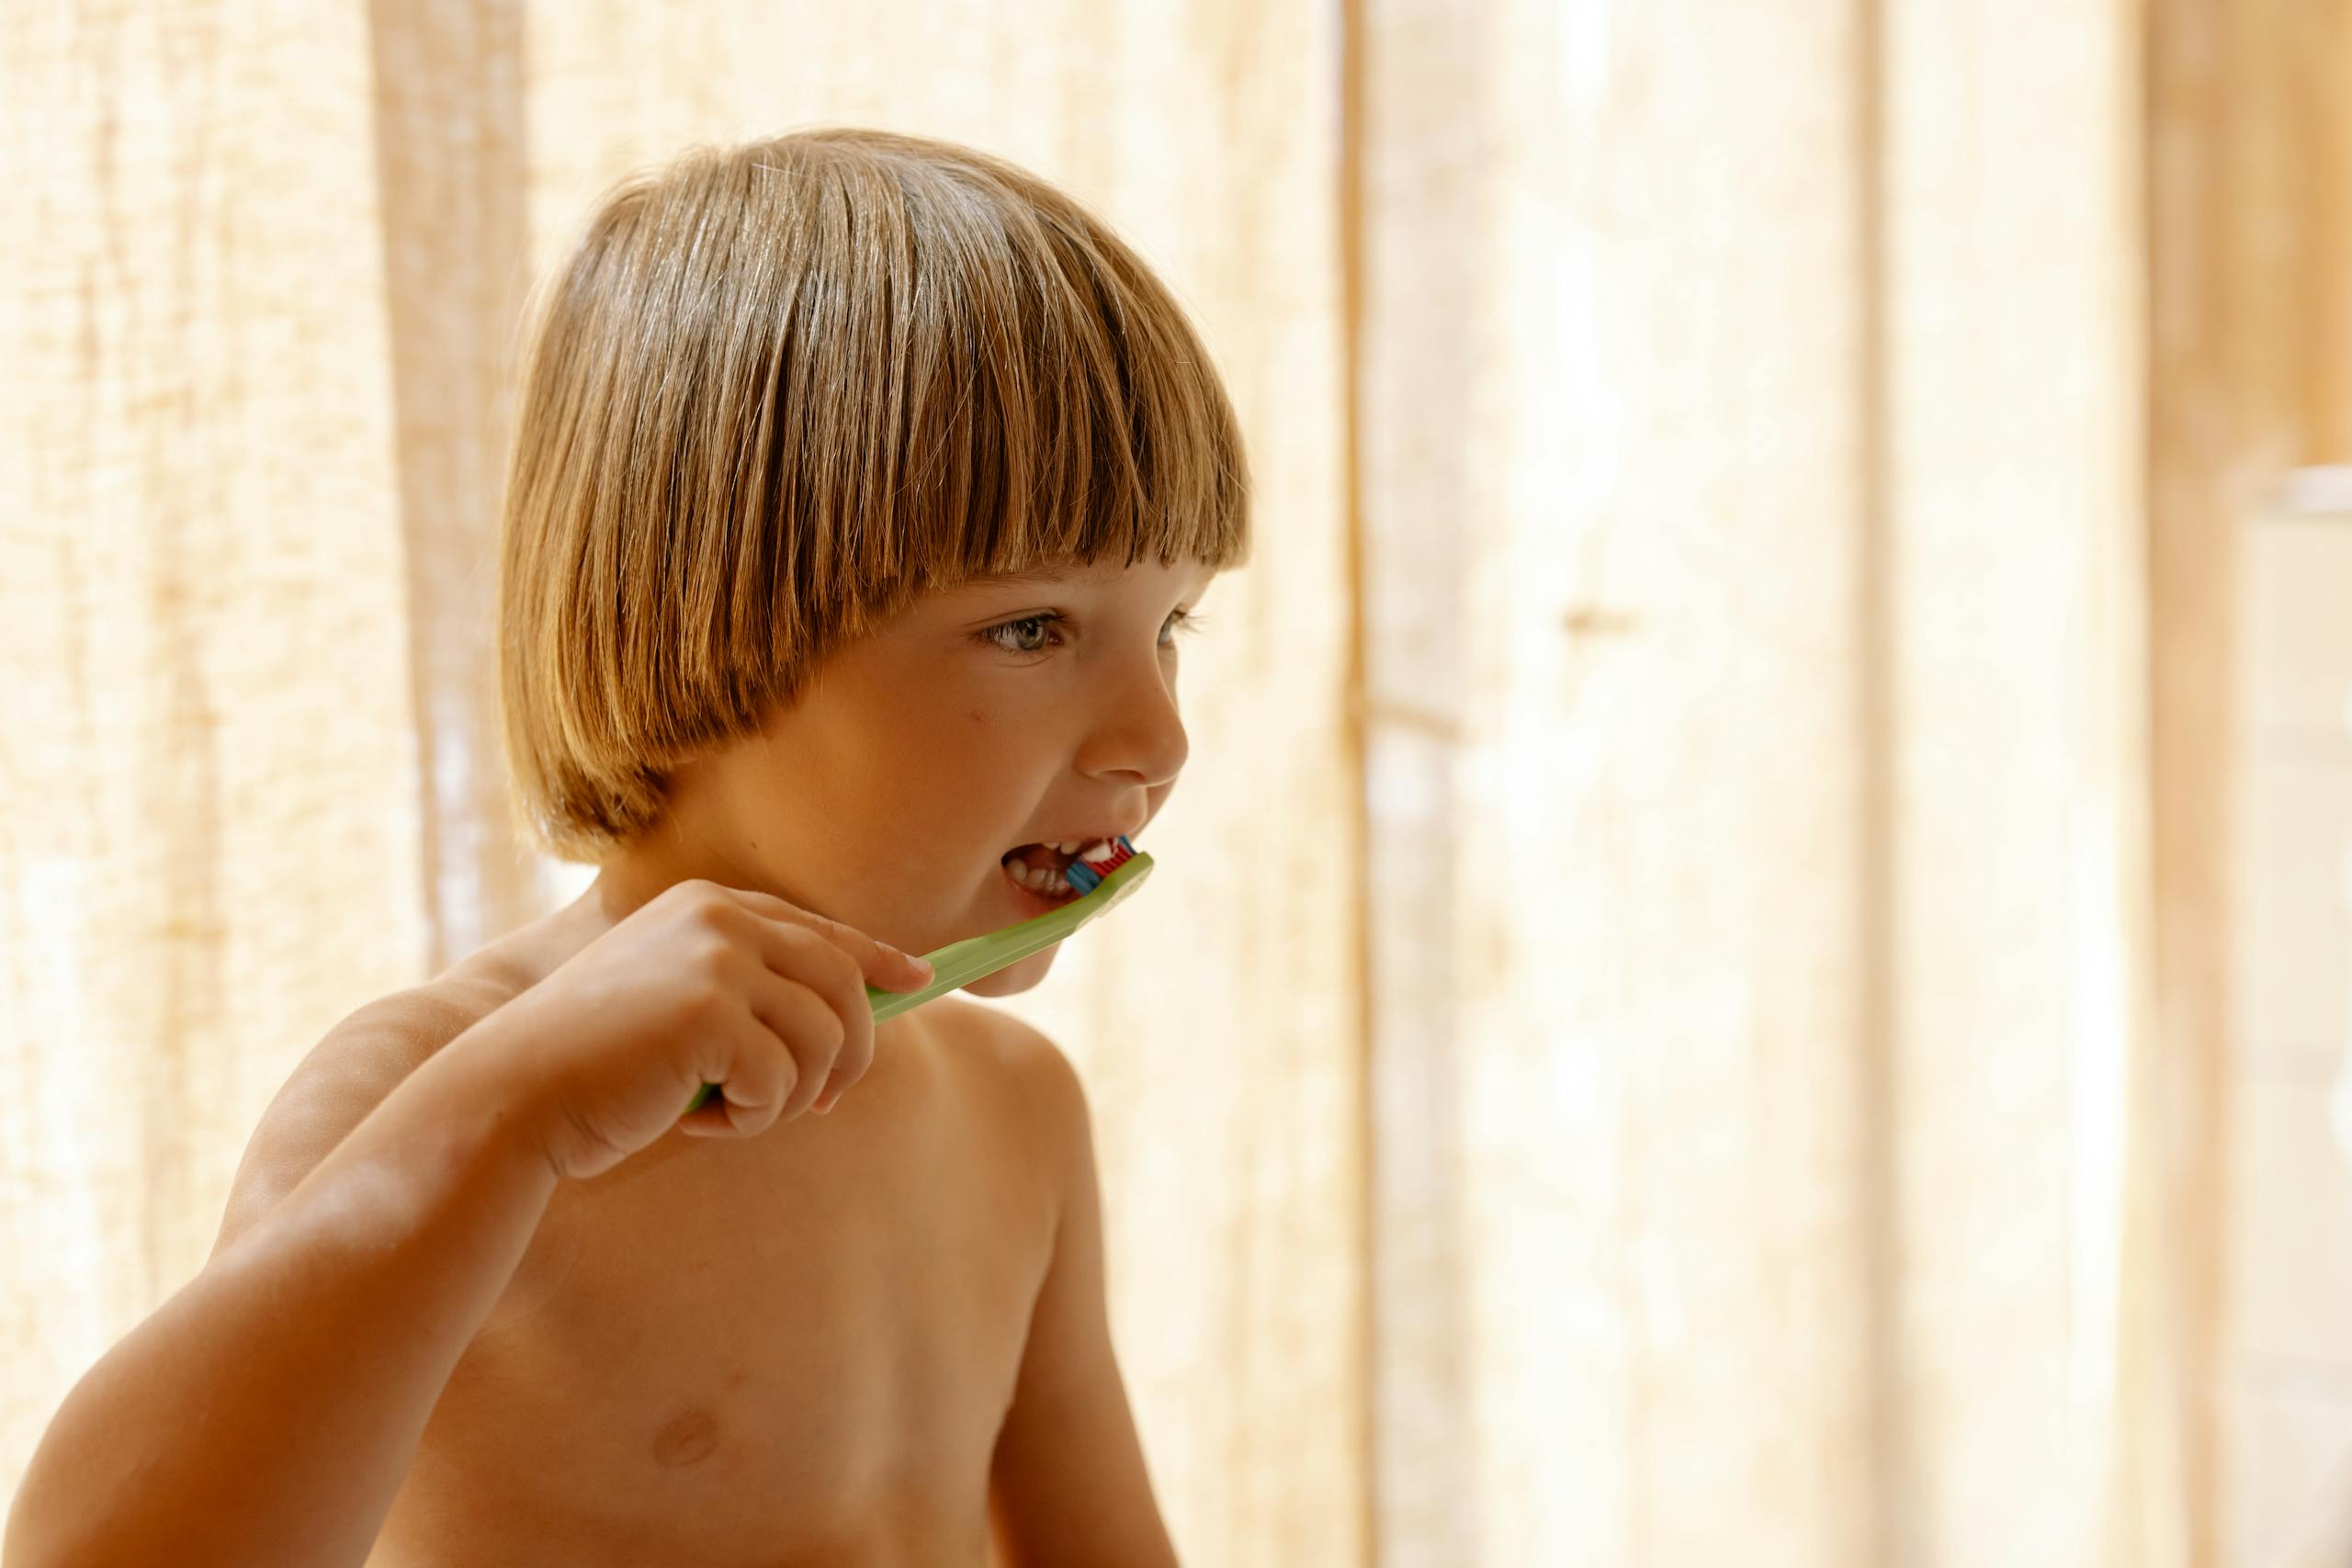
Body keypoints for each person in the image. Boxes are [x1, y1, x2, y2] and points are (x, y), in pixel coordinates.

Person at [2, 125, 1250, 1568]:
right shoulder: (445, 1092)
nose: (1156, 739)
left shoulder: (1020, 1114)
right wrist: (506, 1125)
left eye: (1172, 629)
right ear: (714, 621)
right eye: (1033, 628)